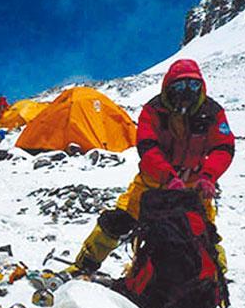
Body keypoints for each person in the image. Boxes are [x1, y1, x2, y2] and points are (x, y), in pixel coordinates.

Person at [67, 59, 235, 275]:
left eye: (193, 85)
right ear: (168, 86)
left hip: (195, 185)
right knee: (118, 220)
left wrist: (209, 176)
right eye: (180, 86)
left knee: (205, 234)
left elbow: (224, 146)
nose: (187, 92)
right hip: (153, 181)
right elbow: (147, 147)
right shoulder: (153, 110)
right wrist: (167, 176)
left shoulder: (212, 112)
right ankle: (83, 266)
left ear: (201, 86)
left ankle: (215, 282)